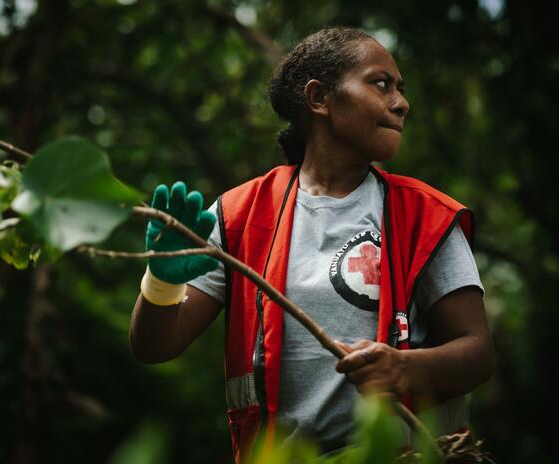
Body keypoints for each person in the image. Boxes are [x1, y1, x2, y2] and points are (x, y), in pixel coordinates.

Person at [129, 26, 494, 462]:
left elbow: (477, 353)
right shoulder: (239, 213)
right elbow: (155, 347)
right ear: (319, 98)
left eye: (401, 89)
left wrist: (403, 369)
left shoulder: (427, 216)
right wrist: (161, 281)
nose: (401, 102)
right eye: (381, 84)